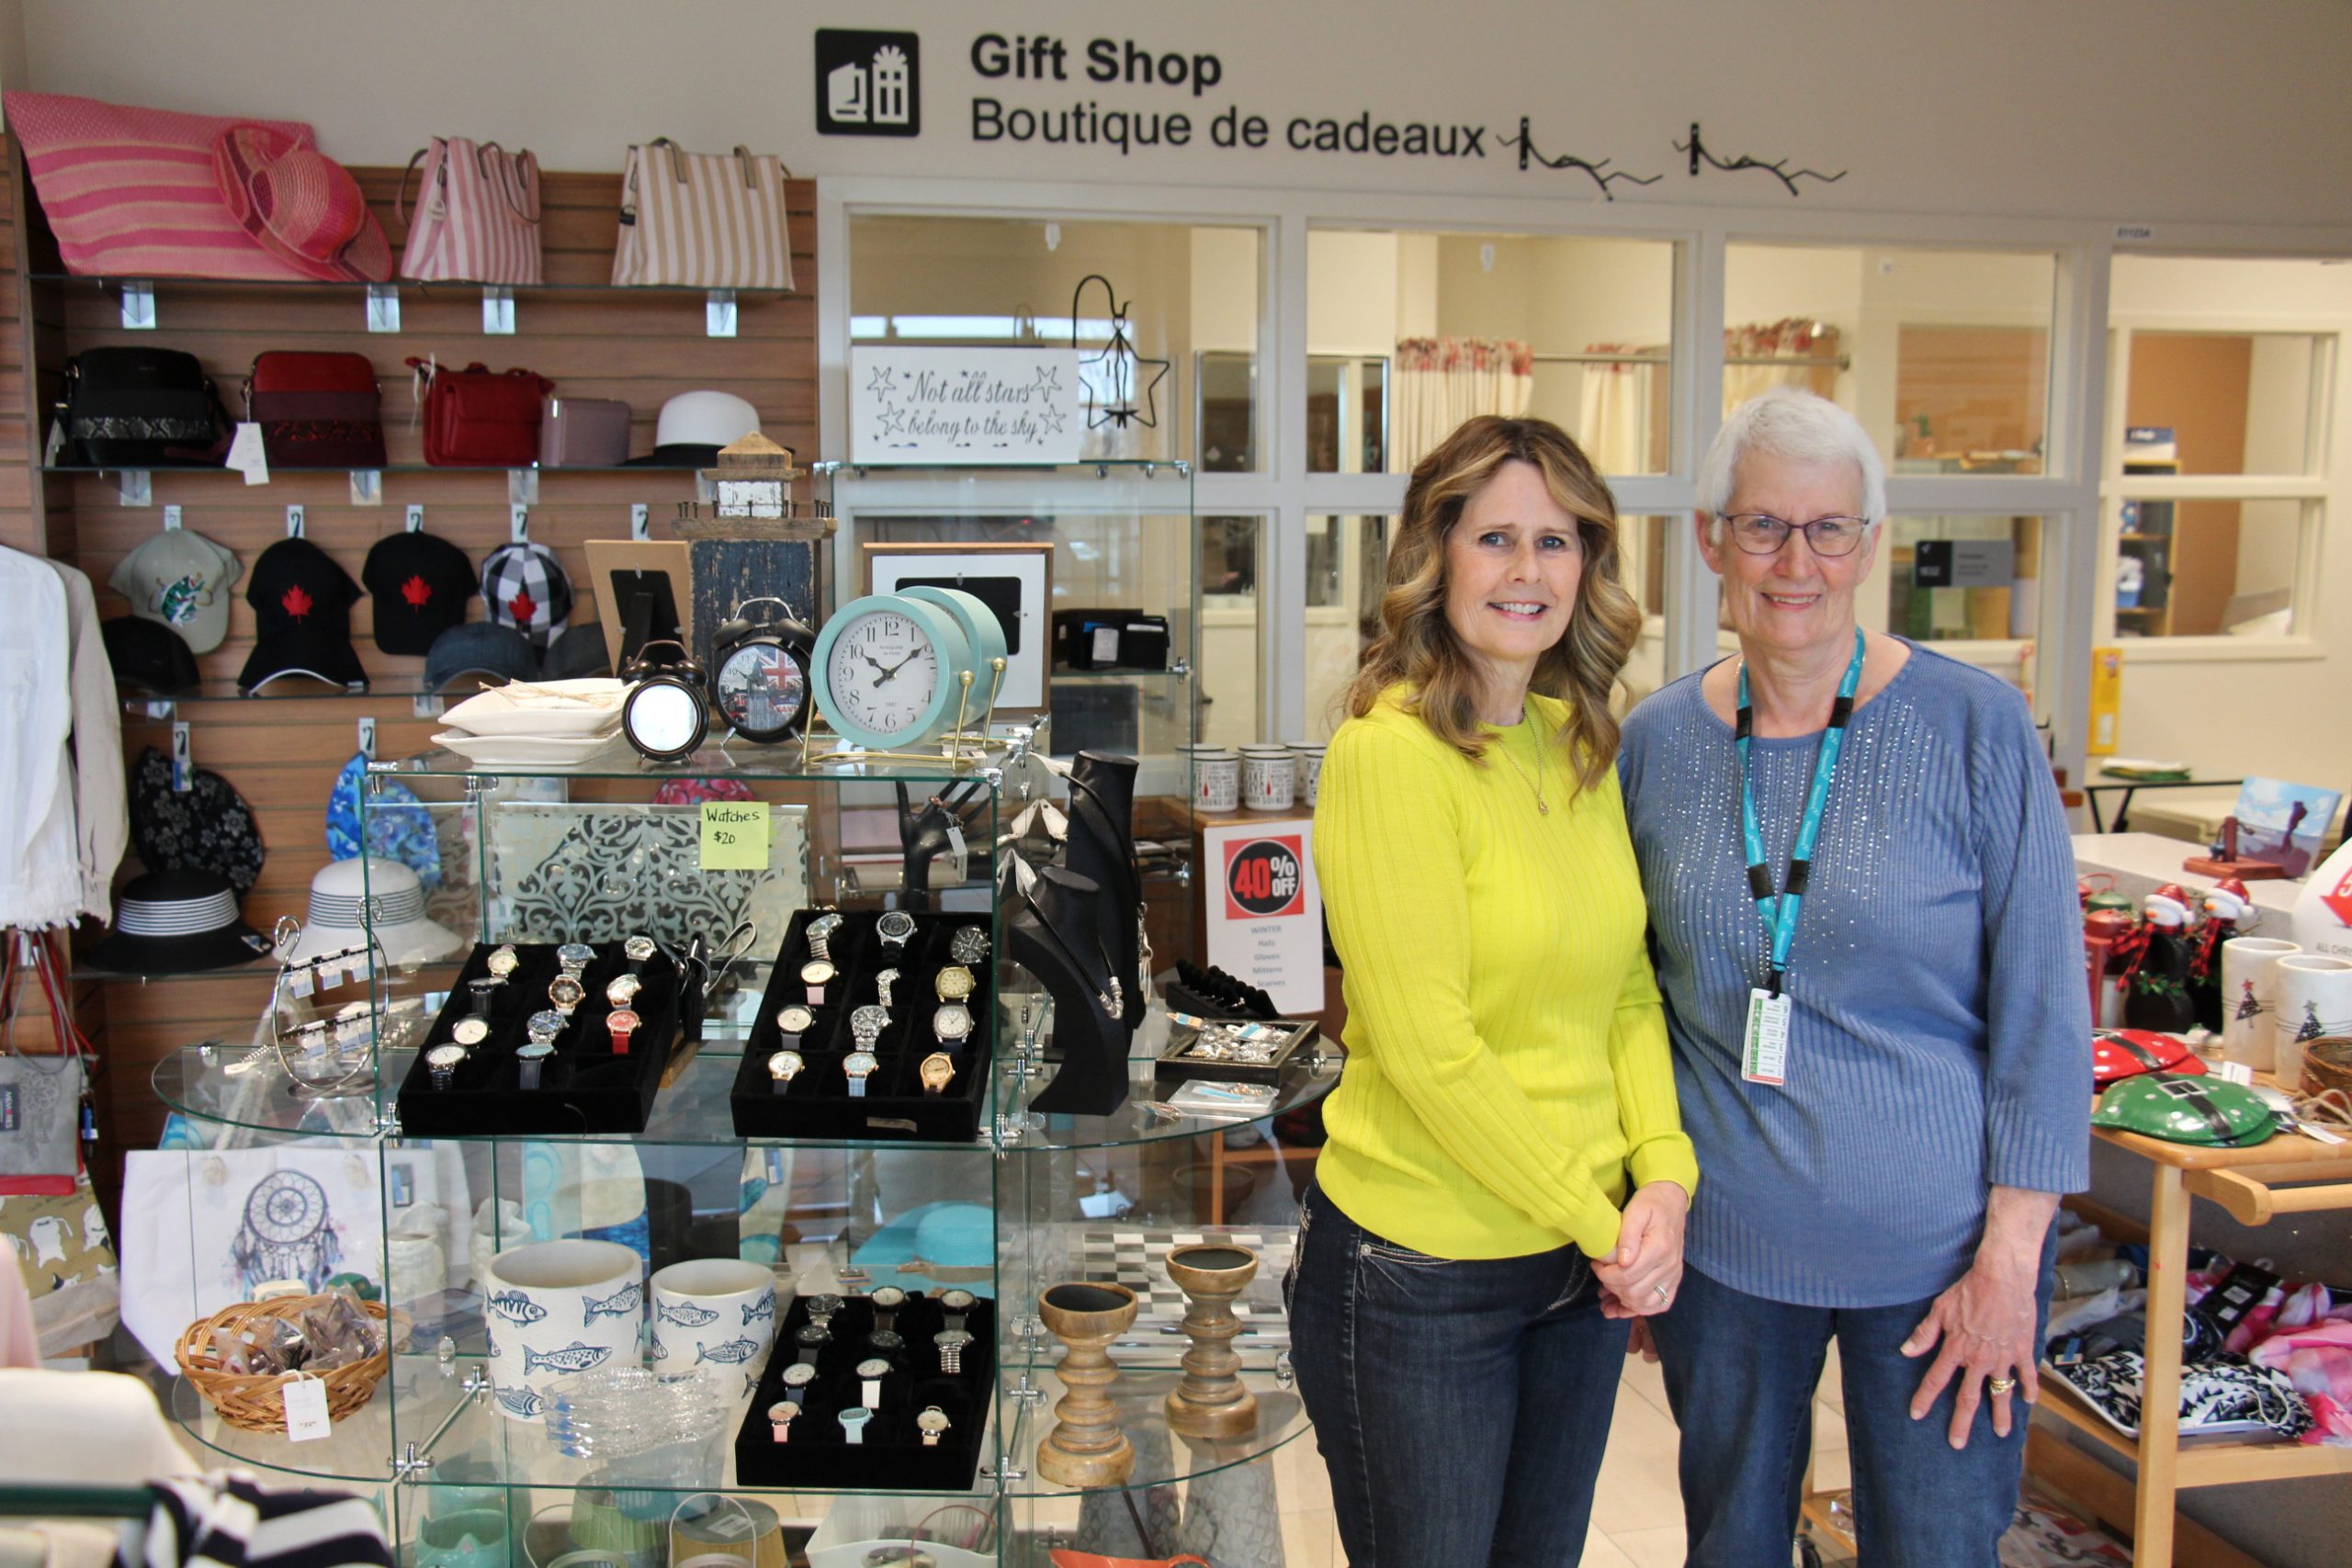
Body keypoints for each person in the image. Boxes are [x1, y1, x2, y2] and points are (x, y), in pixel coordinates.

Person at [1617, 387, 2090, 1567]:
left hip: (1940, 1270)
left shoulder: (1976, 726)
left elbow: (2044, 1016)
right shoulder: (1656, 742)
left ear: (1870, 544)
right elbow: (1625, 996)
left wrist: (2009, 1268)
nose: (1796, 561)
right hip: (1724, 1256)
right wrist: (1640, 1210)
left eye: (1828, 528)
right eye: (1764, 526)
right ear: (1710, 540)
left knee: (1935, 1548)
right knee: (1729, 1544)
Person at [1293, 414, 1699, 1566]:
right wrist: (1604, 1223)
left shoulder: (1577, 743)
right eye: (1495, 539)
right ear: (1436, 557)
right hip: (1421, 1281)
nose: (1528, 572)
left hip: (1577, 1275)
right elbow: (1430, 1051)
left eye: (1558, 542)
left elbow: (1626, 987)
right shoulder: (1389, 755)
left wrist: (1662, 1177)